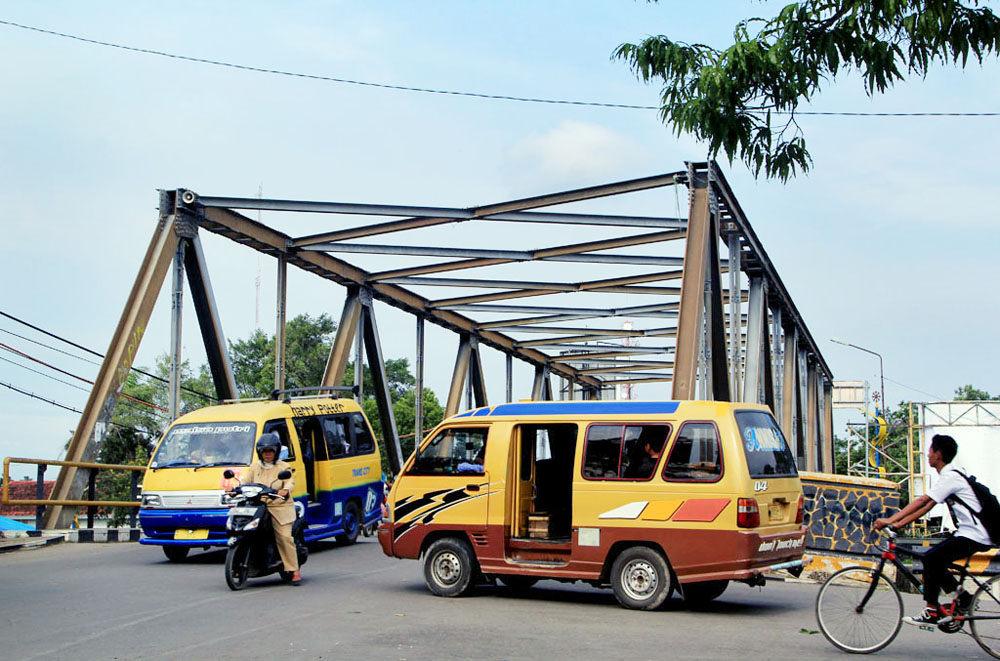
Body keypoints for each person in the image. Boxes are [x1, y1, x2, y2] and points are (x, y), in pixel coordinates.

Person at [875, 434, 991, 626]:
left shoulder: (951, 477)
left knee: (931, 558)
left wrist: (889, 519)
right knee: (933, 559)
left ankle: (931, 610)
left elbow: (923, 501)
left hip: (975, 535)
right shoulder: (950, 476)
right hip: (969, 533)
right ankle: (964, 599)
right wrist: (897, 525)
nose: (927, 455)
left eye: (930, 451)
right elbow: (926, 507)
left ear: (938, 454)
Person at [240, 432, 302, 585]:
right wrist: (236, 488)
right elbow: (245, 481)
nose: (267, 455)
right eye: (264, 451)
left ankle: (293, 569)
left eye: (270, 451)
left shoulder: (283, 466)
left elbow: (289, 482)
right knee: (243, 530)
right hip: (258, 506)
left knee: (284, 537)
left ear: (276, 451)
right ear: (259, 452)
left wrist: (285, 490)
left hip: (279, 507)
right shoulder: (255, 467)